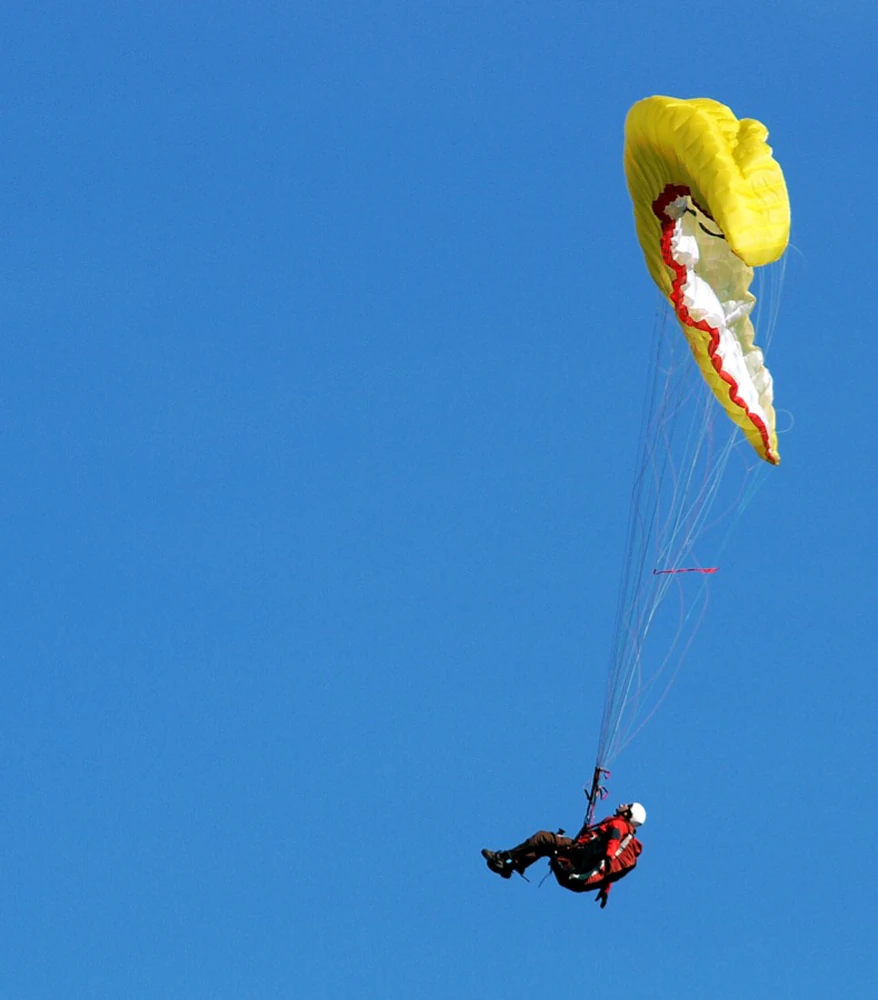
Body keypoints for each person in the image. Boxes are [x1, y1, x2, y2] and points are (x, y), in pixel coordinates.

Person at [481, 802, 646, 908]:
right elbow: (609, 866)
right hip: (576, 876)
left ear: (628, 814)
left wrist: (608, 857)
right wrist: (606, 888)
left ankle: (503, 858)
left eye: (628, 805)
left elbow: (613, 842)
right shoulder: (625, 835)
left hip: (577, 858)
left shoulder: (619, 825)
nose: (623, 804)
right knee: (546, 847)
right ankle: (510, 865)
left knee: (543, 838)